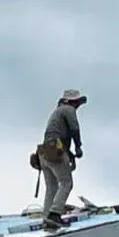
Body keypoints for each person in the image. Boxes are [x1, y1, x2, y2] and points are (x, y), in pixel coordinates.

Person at [37, 89, 87, 229]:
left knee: (51, 187)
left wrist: (70, 156)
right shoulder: (68, 110)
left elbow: (60, 137)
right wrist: (78, 147)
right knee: (66, 183)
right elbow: (74, 129)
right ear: (74, 101)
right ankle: (54, 215)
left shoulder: (57, 112)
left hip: (44, 151)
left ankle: (47, 219)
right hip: (55, 149)